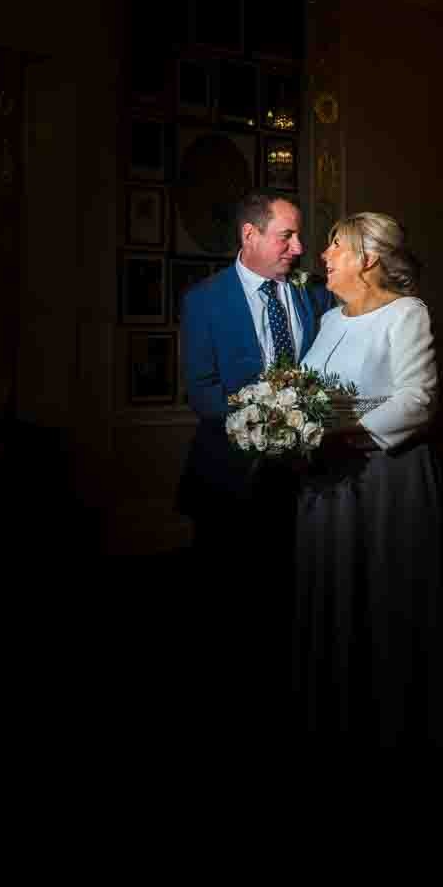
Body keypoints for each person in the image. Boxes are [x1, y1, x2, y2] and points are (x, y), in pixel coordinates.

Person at [177, 191, 333, 740]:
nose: (300, 246)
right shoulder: (205, 300)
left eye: (298, 236)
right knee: (227, 608)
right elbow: (201, 392)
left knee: (294, 603)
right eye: (286, 236)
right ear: (249, 235)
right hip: (229, 478)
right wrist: (266, 428)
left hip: (305, 481)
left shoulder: (310, 297)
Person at [295, 211, 443, 758]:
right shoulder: (331, 319)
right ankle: (332, 719)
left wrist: (345, 429)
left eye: (335, 247)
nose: (324, 256)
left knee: (382, 596)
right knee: (331, 591)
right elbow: (309, 390)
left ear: (368, 258)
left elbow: (418, 400)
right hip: (327, 482)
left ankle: (388, 730)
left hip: (384, 483)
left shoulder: (407, 314)